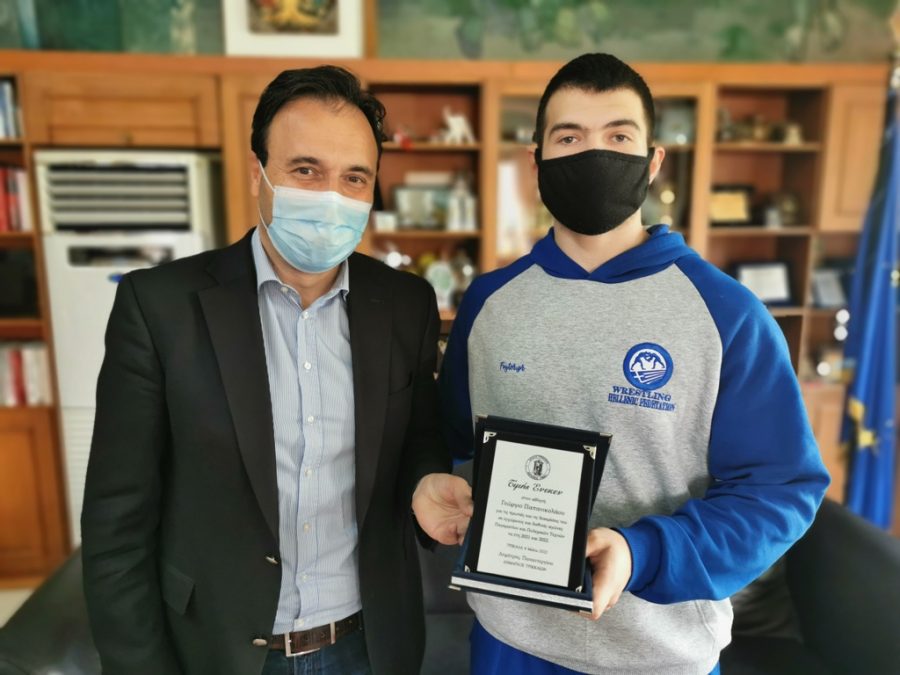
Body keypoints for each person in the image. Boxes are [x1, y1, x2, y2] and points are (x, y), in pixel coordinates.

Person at [439, 53, 830, 675]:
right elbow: (448, 439)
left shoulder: (727, 313)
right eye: (570, 138)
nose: (595, 154)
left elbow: (780, 491)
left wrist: (642, 550)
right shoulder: (490, 302)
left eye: (618, 137)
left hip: (659, 656)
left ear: (653, 162)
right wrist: (436, 482)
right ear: (537, 161)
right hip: (508, 642)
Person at [81, 65, 472, 675]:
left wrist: (424, 481)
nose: (330, 197)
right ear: (257, 172)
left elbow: (416, 434)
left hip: (370, 644)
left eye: (354, 177)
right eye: (305, 170)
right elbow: (116, 523)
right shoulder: (159, 307)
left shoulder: (405, 305)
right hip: (219, 649)